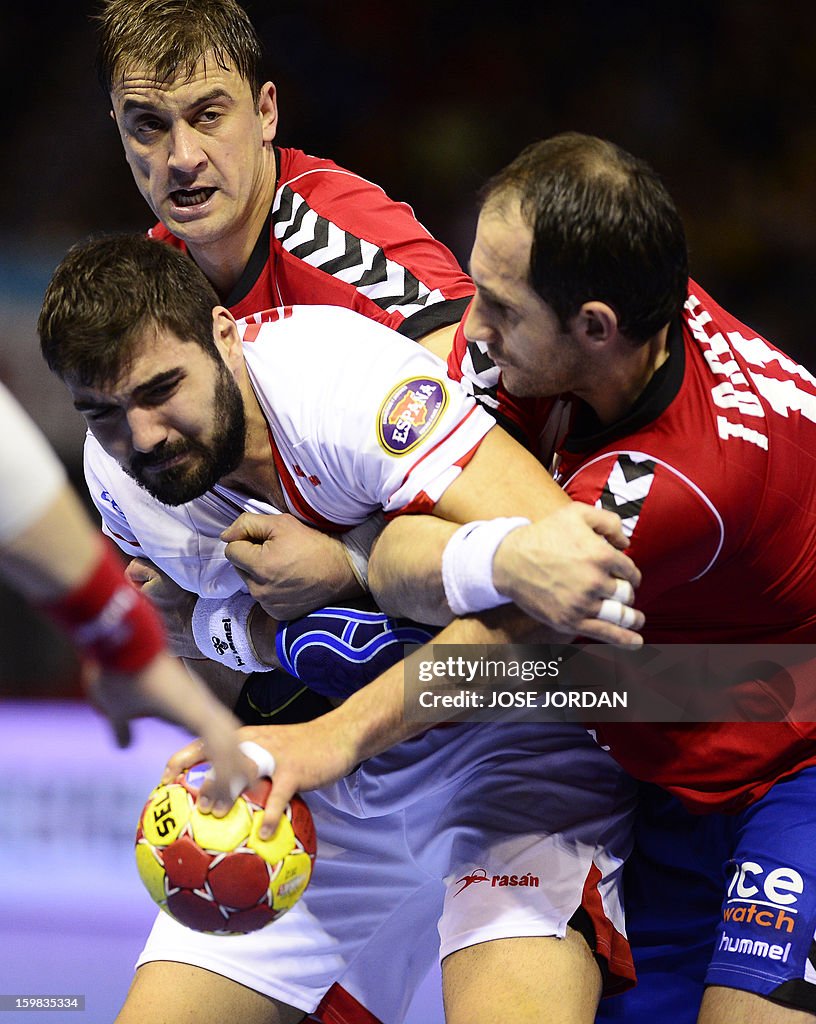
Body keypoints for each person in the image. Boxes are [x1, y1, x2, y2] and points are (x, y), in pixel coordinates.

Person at [39, 232, 642, 1024]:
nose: (142, 436)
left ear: (225, 335)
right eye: (103, 413)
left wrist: (347, 583)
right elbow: (218, 671)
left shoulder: (344, 384)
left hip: (511, 758)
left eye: (161, 389)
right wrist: (241, 655)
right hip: (333, 788)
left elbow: (569, 595)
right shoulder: (121, 478)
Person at [329, 133, 816, 1022]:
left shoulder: (671, 487)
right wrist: (388, 558)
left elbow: (481, 652)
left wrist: (320, 743)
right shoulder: (620, 318)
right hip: (675, 770)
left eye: (500, 307)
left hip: (797, 773)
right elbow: (402, 532)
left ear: (593, 326)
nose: (470, 327)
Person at [0, 380, 247, 806]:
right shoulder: (109, 466)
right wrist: (136, 646)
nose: (146, 434)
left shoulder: (339, 415)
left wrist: (133, 647)